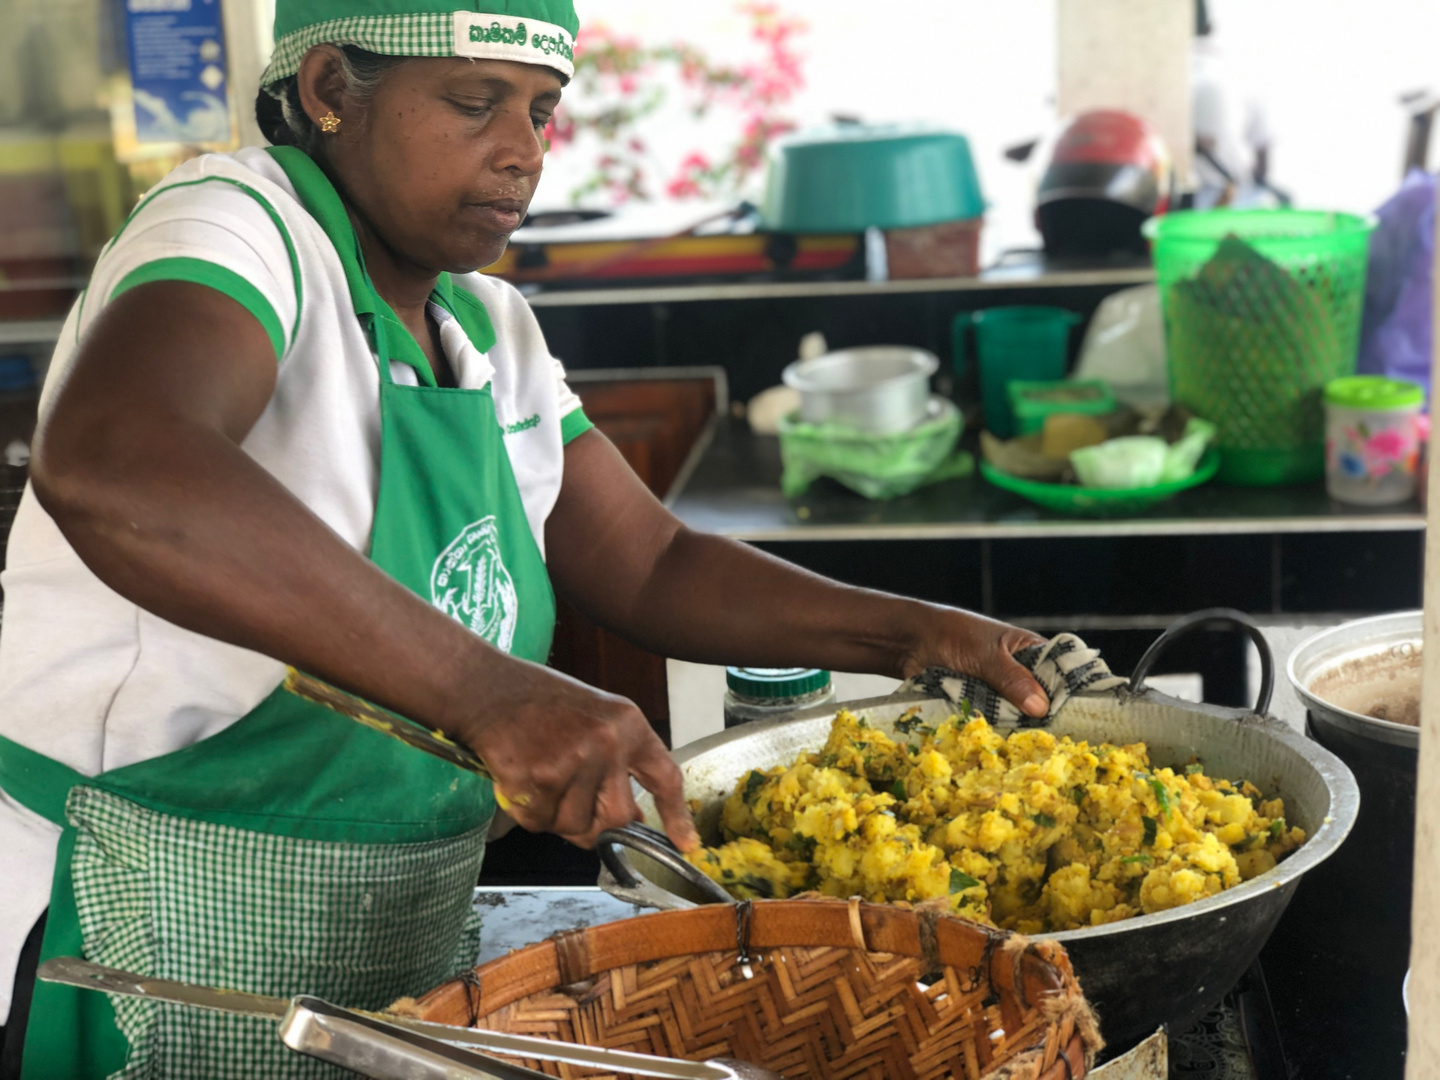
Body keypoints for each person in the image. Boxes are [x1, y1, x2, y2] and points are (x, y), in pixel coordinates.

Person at [0, 0, 1048, 1074]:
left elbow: (648, 559)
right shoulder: (232, 225)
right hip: (139, 927)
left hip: (389, 946)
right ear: (326, 92)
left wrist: (920, 634)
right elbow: (119, 461)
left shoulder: (488, 327)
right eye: (473, 104)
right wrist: (492, 694)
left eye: (543, 113)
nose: (523, 153)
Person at [1191, 0, 1278, 209]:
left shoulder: (1158, 76)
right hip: (1239, 203)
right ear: (1210, 28)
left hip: (1181, 208)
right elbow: (1263, 148)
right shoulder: (1240, 72)